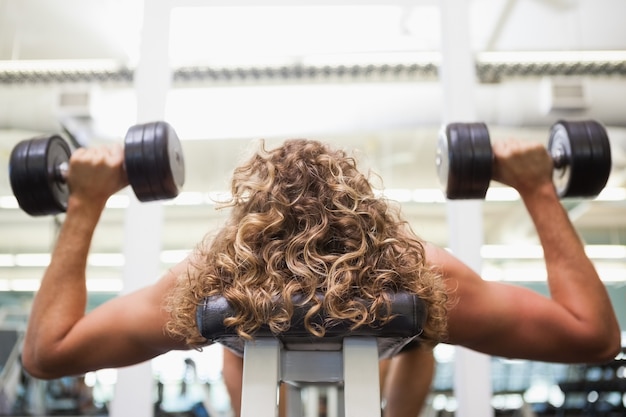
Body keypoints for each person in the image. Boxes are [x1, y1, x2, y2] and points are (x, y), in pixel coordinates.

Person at [21, 137, 621, 417]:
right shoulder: (420, 272)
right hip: (392, 329)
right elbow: (592, 336)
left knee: (240, 328)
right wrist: (538, 187)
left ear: (246, 219)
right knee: (419, 333)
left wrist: (85, 203)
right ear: (368, 210)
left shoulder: (210, 283)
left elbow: (47, 352)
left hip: (244, 323)